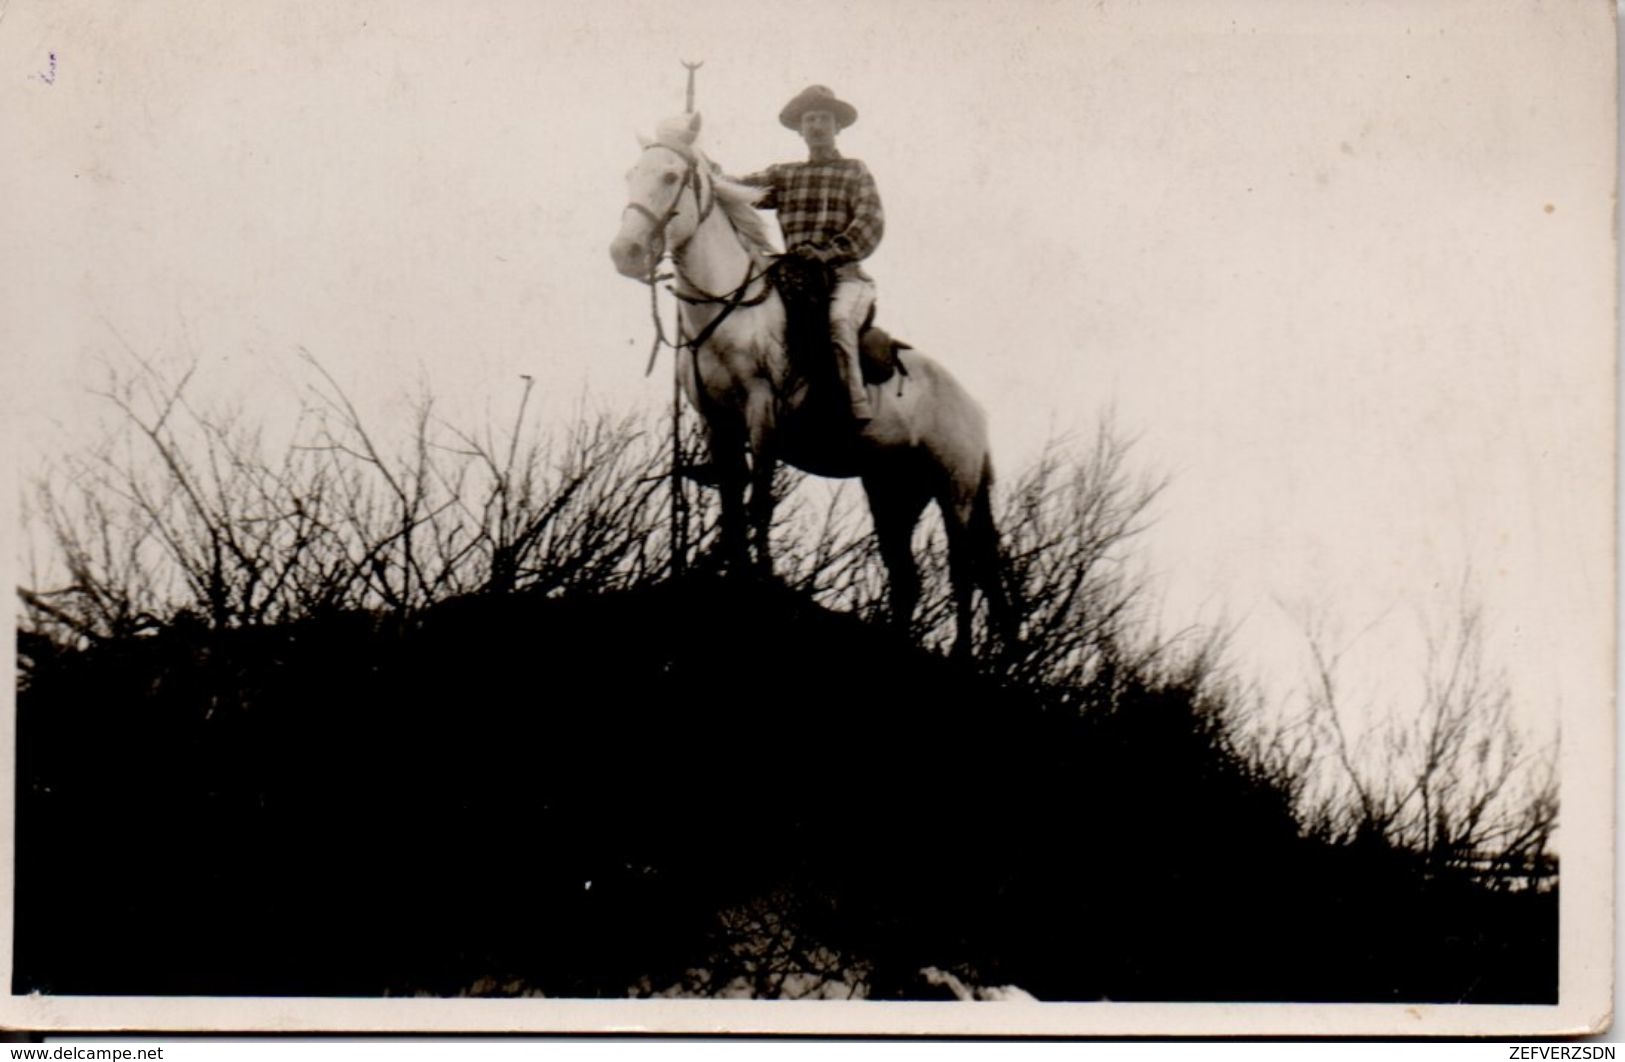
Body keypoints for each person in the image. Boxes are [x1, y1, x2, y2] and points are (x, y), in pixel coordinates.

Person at [741, 85, 885, 423]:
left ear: (837, 127)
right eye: (810, 119)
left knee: (838, 323)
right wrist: (699, 169)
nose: (816, 125)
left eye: (824, 118)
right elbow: (739, 190)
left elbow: (870, 222)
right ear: (800, 129)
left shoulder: (854, 171)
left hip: (844, 276)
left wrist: (829, 252)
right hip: (795, 277)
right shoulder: (786, 175)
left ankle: (855, 406)